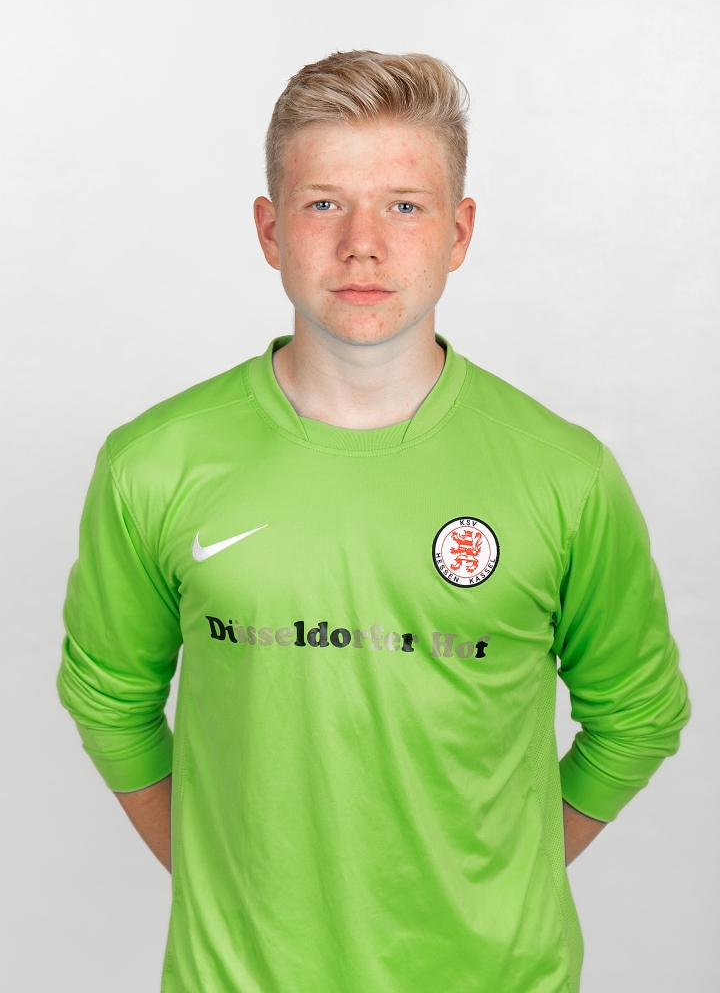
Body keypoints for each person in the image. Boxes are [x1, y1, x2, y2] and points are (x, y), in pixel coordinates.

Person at [58, 51, 690, 993]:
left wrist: (502, 880)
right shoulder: (153, 463)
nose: (363, 244)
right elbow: (110, 699)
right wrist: (220, 881)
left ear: (458, 232)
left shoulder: (565, 473)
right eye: (323, 204)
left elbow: (638, 713)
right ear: (270, 231)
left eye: (403, 205)